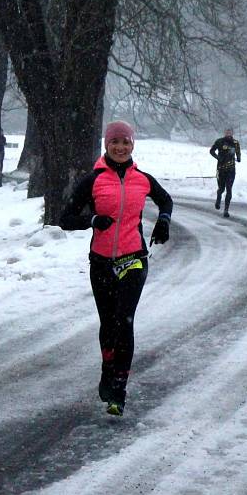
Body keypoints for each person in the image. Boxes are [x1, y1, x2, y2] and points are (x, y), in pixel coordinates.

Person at [60, 120, 173, 416]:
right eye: (115, 143)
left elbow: (166, 201)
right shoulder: (93, 180)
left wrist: (163, 221)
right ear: (107, 146)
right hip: (101, 262)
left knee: (124, 322)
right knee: (108, 324)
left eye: (126, 142)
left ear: (132, 145)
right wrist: (92, 221)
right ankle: (108, 366)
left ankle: (119, 390)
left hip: (133, 258)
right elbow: (65, 218)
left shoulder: (143, 180)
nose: (121, 147)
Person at [209, 128, 241, 217]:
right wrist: (218, 157)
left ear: (232, 133)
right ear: (224, 133)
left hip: (231, 169)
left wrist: (238, 158)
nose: (228, 134)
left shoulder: (235, 143)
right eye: (227, 132)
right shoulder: (219, 141)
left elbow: (238, 152)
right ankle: (218, 198)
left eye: (230, 132)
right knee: (221, 189)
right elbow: (211, 151)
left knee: (229, 189)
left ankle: (226, 210)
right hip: (221, 169)